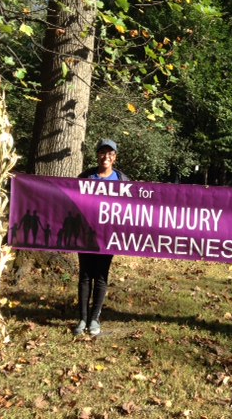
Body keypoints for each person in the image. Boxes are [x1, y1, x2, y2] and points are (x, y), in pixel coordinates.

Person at [74, 139, 130, 336]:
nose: (106, 156)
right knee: (85, 275)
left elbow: (131, 208)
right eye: (102, 152)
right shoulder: (86, 177)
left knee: (101, 275)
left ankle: (94, 319)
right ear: (97, 155)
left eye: (110, 153)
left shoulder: (122, 180)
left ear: (115, 157)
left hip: (108, 236)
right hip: (85, 234)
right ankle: (82, 319)